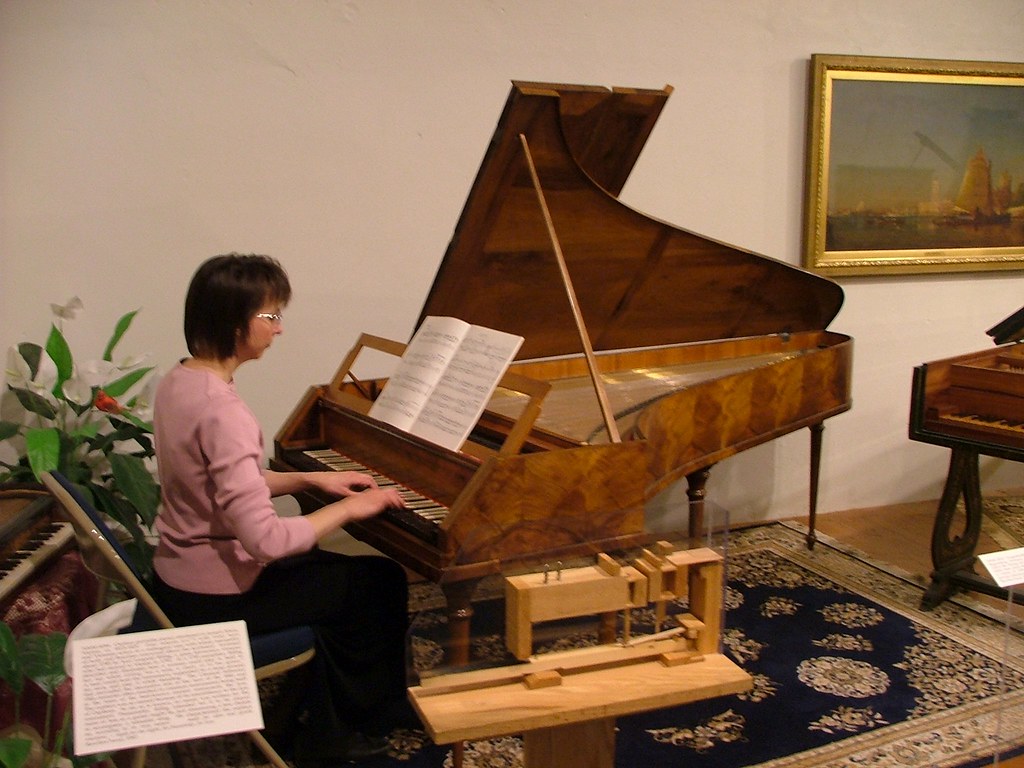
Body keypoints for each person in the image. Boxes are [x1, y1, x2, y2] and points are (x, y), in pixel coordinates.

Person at [150, 253, 414, 766]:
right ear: (234, 322)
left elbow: (225, 485)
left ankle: (326, 705)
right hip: (217, 601)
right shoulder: (223, 411)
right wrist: (354, 508)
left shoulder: (180, 381)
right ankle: (343, 734)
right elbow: (266, 542)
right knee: (378, 583)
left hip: (178, 579)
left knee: (344, 579)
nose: (279, 330)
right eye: (270, 316)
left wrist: (309, 478)